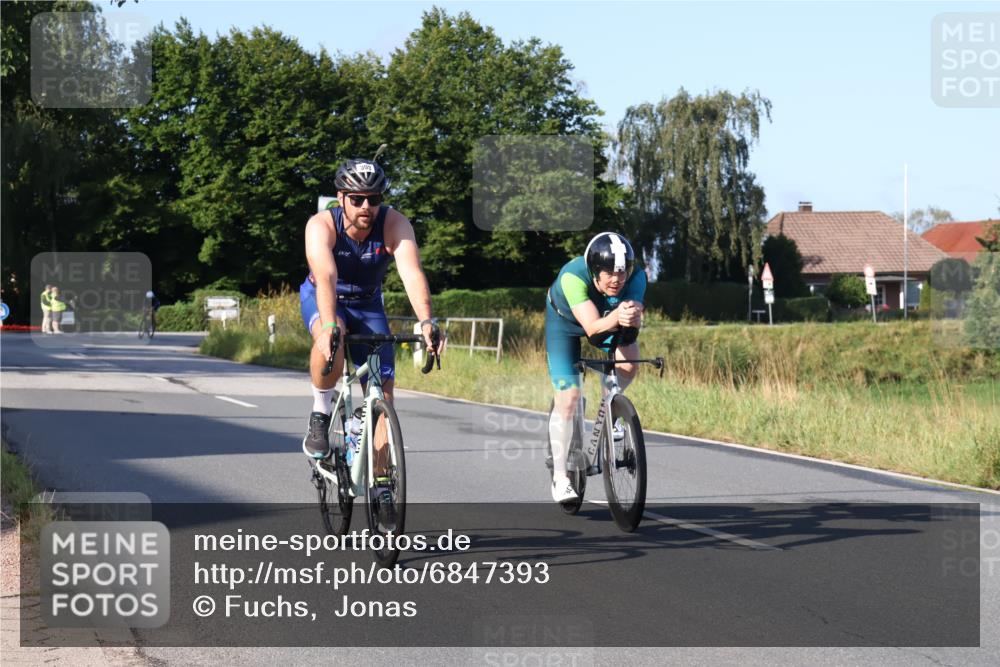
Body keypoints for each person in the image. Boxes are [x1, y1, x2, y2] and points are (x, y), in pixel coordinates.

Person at [300, 157, 440, 460]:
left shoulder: (394, 223)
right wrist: (327, 327)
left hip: (367, 303)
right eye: (357, 198)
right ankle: (320, 412)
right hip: (325, 297)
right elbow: (325, 276)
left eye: (373, 198)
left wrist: (427, 321)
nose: (366, 206)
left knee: (383, 398)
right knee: (332, 339)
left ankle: (382, 488)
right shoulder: (321, 225)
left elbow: (412, 273)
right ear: (341, 198)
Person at [545, 232, 647, 503]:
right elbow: (592, 329)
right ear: (594, 271)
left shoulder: (637, 278)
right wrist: (617, 316)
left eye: (622, 273)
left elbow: (630, 328)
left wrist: (633, 320)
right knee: (568, 399)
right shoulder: (573, 277)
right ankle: (560, 478)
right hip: (565, 325)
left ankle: (610, 408)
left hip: (606, 320)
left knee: (628, 363)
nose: (617, 280)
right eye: (609, 273)